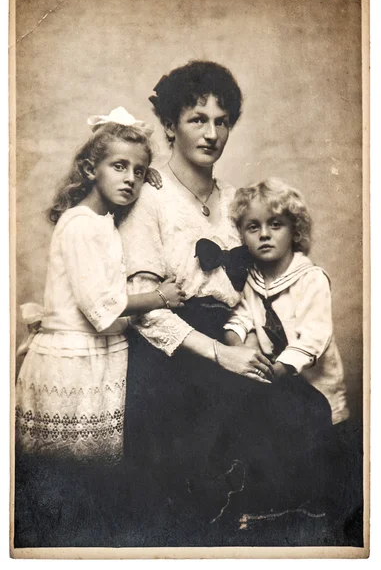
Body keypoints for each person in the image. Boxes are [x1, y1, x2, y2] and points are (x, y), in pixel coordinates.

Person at [119, 61, 286, 540]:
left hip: (230, 340)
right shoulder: (147, 196)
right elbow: (144, 309)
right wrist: (220, 354)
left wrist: (247, 339)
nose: (212, 133)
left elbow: (248, 289)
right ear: (170, 126)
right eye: (197, 119)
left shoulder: (236, 201)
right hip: (171, 355)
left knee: (303, 409)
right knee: (210, 438)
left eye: (222, 120)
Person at [15, 106, 185, 546]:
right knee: (62, 483)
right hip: (72, 364)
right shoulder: (81, 226)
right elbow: (103, 310)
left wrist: (148, 183)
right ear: (91, 168)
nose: (130, 178)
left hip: (100, 362)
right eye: (119, 166)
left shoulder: (104, 223)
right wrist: (162, 296)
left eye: (140, 170)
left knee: (92, 483)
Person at [224, 178, 350, 516]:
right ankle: (281, 498)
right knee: (281, 440)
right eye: (253, 227)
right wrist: (236, 346)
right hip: (277, 385)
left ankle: (321, 504)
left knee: (321, 448)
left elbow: (313, 338)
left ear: (295, 231)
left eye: (275, 224)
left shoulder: (311, 279)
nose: (264, 234)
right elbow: (241, 317)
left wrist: (279, 368)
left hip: (312, 382)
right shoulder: (252, 279)